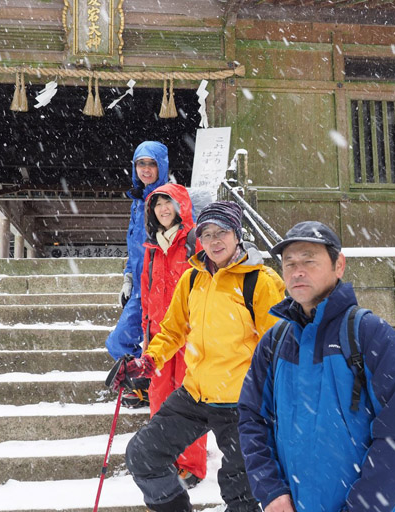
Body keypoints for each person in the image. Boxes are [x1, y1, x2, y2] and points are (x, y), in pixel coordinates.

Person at [107, 201, 285, 512]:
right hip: (195, 396)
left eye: (222, 232)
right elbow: (173, 331)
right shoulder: (192, 280)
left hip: (242, 402)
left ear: (237, 235)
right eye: (206, 234)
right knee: (144, 454)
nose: (215, 241)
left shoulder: (260, 281)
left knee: (241, 494)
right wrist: (148, 361)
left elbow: (278, 347)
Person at [238, 221, 395, 512]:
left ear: (339, 265)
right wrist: (271, 490)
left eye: (309, 260)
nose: (297, 271)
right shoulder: (274, 343)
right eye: (289, 263)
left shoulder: (370, 335)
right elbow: (252, 419)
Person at [139, 183, 208, 488]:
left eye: (168, 202)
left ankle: (191, 464)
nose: (163, 209)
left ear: (181, 206)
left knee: (190, 398)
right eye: (157, 204)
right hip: (158, 337)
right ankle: (161, 455)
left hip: (191, 336)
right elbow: (145, 294)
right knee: (158, 397)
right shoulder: (151, 248)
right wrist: (146, 338)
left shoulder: (194, 241)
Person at [105, 141, 169, 406]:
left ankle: (152, 389)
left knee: (156, 343)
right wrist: (128, 277)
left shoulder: (168, 199)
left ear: (161, 166)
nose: (145, 169)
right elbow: (133, 247)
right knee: (119, 342)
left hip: (160, 286)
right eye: (140, 164)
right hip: (141, 286)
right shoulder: (137, 200)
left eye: (151, 163)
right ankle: (144, 385)